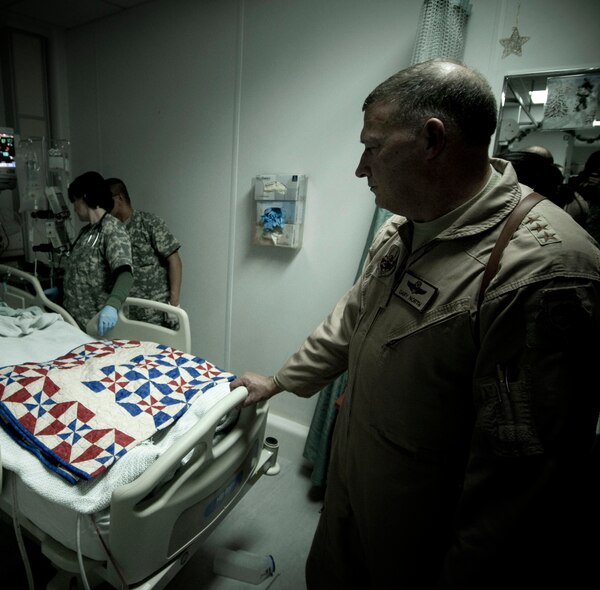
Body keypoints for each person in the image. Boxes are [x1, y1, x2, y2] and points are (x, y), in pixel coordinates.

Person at [231, 58, 600, 589]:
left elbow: (520, 488)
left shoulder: (542, 271)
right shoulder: (405, 230)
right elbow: (350, 320)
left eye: (372, 146)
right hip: (356, 481)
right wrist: (280, 382)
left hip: (423, 531)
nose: (361, 167)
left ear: (432, 141)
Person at [60, 171, 134, 336]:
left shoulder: (111, 228)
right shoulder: (86, 232)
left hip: (99, 325)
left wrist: (112, 306)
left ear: (85, 197)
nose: (74, 206)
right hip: (76, 325)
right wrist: (60, 289)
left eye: (75, 200)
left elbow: (125, 275)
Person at [106, 177, 183, 328]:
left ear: (119, 197)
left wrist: (173, 305)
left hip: (155, 314)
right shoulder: (110, 231)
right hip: (126, 314)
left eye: (107, 200)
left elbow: (175, 261)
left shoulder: (148, 223)